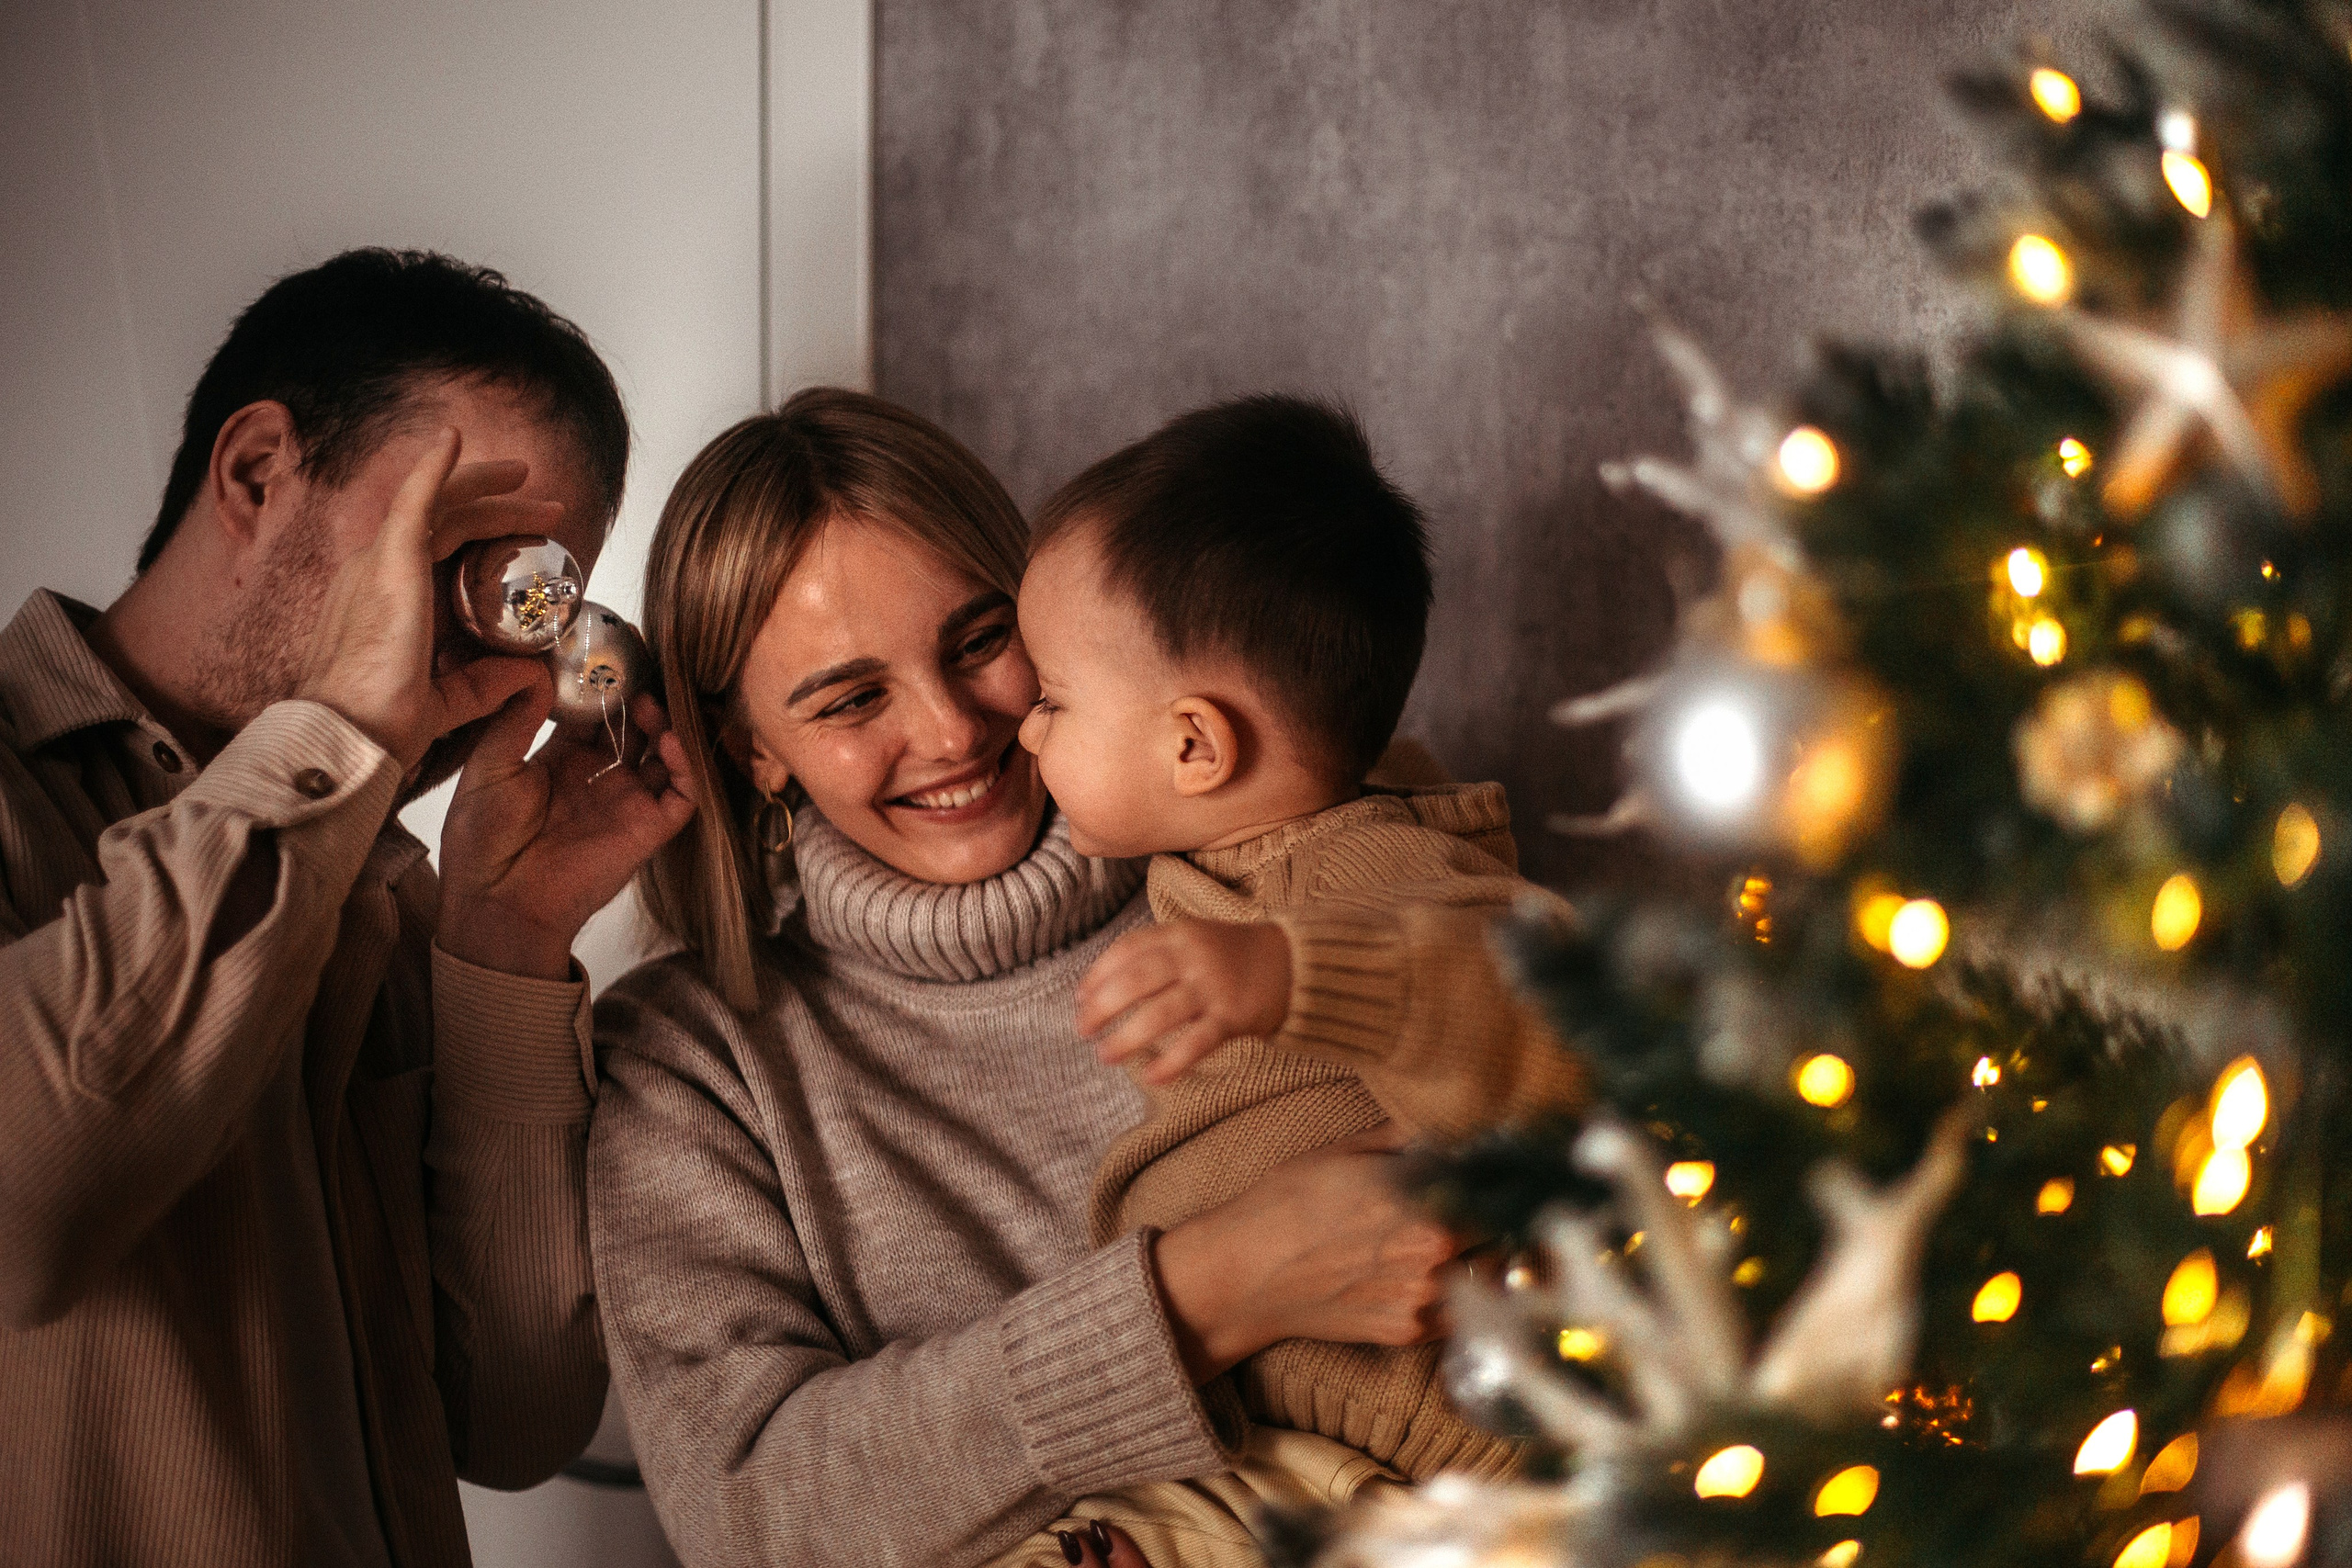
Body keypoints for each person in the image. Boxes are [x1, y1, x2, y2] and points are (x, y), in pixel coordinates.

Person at [588, 389, 1468, 1568]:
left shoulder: (1294, 861)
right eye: (852, 699)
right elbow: (746, 1517)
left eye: (979, 641)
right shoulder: (689, 1060)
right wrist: (1209, 1292)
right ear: (754, 750)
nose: (953, 731)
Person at [0, 248, 696, 1567]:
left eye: (534, 585)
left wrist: (501, 941)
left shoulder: (383, 900)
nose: (481, 630)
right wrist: (336, 733)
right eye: (452, 543)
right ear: (259, 472)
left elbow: (507, 1420)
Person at [1013, 394, 1585, 1488]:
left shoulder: (1363, 876)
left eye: (1052, 700)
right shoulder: (1223, 869)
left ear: (1194, 745)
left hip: (1430, 1435)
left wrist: (1289, 973)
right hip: (1279, 1442)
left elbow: (1537, 998)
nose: (1025, 728)